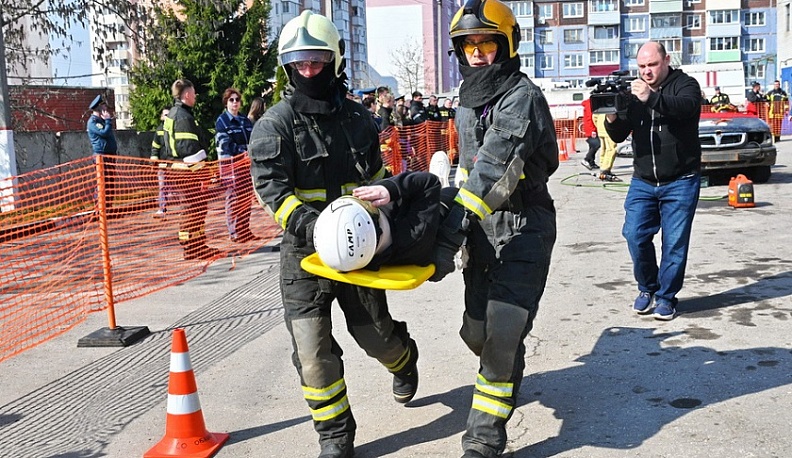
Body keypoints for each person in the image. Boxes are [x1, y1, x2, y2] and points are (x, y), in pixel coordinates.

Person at [247, 11, 419, 458]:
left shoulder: (360, 119)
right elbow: (271, 190)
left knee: (377, 339)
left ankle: (405, 359)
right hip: (304, 254)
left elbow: (380, 177)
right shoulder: (274, 125)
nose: (309, 71)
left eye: (318, 61)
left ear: (334, 61)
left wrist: (388, 214)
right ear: (287, 66)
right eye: (299, 63)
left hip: (360, 250)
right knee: (312, 352)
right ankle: (336, 437)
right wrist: (314, 227)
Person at [434, 1, 559, 456]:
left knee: (502, 334)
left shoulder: (521, 96)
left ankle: (483, 438)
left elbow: (492, 166)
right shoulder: (466, 101)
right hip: (481, 230)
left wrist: (449, 230)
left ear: (506, 44)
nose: (478, 53)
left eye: (486, 43)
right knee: (476, 333)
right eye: (468, 46)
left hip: (525, 222)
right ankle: (507, 362)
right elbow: (467, 172)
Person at [604, 41, 701, 321]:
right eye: (642, 66)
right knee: (634, 234)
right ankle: (648, 288)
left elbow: (685, 108)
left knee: (674, 243)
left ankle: (667, 297)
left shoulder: (685, 85)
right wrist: (611, 115)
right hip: (643, 181)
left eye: (652, 65)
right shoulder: (634, 93)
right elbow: (619, 135)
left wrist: (652, 98)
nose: (646, 71)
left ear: (666, 60)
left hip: (681, 180)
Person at [162, 78, 222, 260]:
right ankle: (191, 247)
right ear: (187, 94)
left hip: (179, 170)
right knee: (192, 209)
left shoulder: (174, 113)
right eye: (193, 92)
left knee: (195, 208)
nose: (195, 96)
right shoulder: (183, 117)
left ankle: (197, 244)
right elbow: (189, 148)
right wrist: (204, 171)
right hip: (187, 171)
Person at [215, 87, 258, 243]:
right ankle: (234, 232)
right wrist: (242, 151)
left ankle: (244, 230)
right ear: (226, 102)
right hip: (231, 165)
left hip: (246, 165)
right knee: (233, 198)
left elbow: (253, 139)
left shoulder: (245, 121)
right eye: (231, 100)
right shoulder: (222, 121)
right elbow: (225, 143)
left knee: (246, 197)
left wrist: (251, 151)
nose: (235, 103)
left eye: (237, 100)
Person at [86, 95, 118, 202]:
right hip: (101, 157)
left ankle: (108, 208)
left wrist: (107, 121)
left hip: (110, 155)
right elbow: (104, 132)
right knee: (102, 183)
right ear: (99, 107)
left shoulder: (102, 120)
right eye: (104, 106)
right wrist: (108, 121)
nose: (106, 108)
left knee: (110, 183)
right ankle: (99, 210)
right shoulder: (93, 122)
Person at [150, 107, 170, 217]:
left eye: (169, 114)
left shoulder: (175, 128)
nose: (167, 117)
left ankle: (184, 209)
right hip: (162, 164)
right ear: (162, 117)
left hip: (174, 164)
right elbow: (155, 147)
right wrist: (154, 160)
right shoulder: (159, 130)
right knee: (162, 186)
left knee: (181, 187)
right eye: (165, 115)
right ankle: (162, 209)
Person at [580, 97, 599, 170]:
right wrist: (593, 130)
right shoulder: (590, 104)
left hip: (591, 128)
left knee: (592, 145)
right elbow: (589, 117)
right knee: (596, 144)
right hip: (591, 128)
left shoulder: (589, 103)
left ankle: (591, 162)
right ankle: (587, 159)